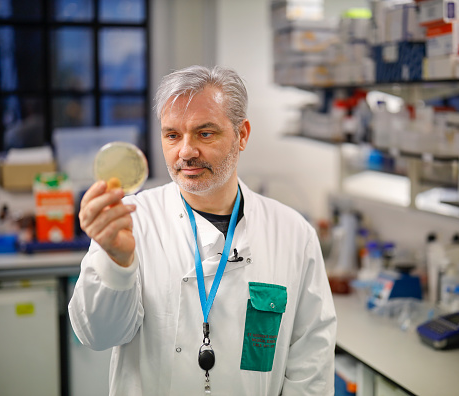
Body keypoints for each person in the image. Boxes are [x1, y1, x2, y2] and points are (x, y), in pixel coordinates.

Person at [69, 65, 337, 395]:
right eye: (172, 135)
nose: (186, 152)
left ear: (242, 135)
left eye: (205, 133)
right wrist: (118, 263)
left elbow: (312, 360)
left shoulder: (293, 233)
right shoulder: (130, 222)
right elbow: (97, 335)